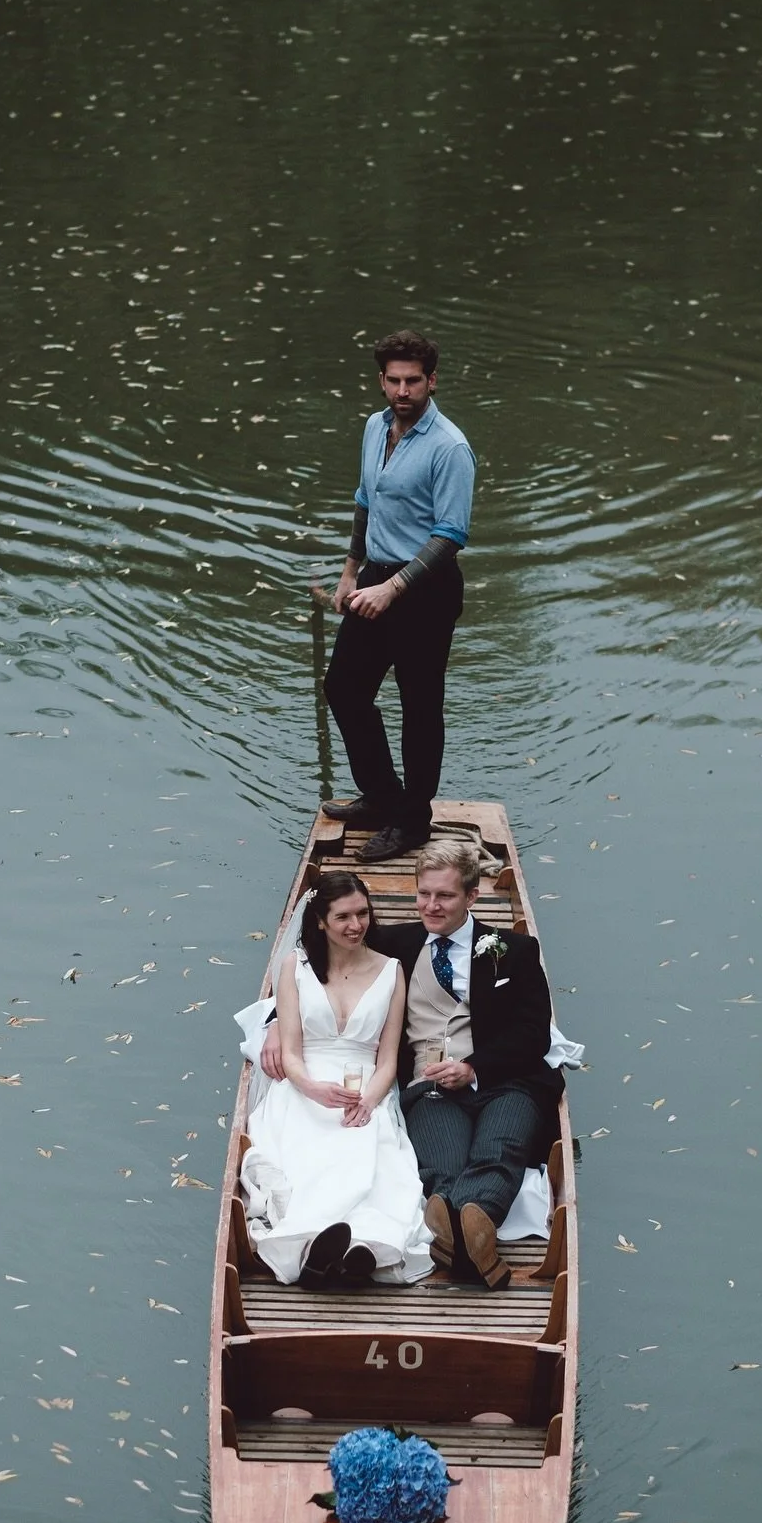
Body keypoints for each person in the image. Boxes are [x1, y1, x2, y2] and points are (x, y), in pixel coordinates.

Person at [260, 843, 563, 1291]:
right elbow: (325, 964)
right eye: (424, 894)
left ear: (472, 897)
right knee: (440, 1162)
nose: (431, 906)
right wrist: (274, 1020)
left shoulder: (513, 950)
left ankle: (464, 1229)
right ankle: (465, 1232)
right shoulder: (395, 942)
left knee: (498, 1150)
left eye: (445, 896)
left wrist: (475, 1067)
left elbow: (535, 1032)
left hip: (506, 1083)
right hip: (430, 1087)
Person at [321, 330, 475, 864]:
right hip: (374, 576)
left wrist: (393, 588)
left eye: (413, 381)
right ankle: (382, 797)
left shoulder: (449, 447)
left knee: (419, 707)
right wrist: (350, 574)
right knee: (343, 688)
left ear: (431, 381)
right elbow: (366, 500)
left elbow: (451, 534)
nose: (403, 390)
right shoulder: (374, 427)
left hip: (425, 590)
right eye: (394, 380)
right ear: (381, 380)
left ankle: (412, 821)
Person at [241, 871, 433, 1289]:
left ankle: (361, 1249)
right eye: (344, 916)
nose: (356, 925)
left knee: (369, 1156)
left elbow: (387, 1058)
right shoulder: (296, 967)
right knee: (311, 1157)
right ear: (321, 922)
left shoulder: (391, 970)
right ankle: (313, 1249)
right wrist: (310, 1088)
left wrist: (369, 1101)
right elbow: (291, 1051)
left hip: (368, 1088)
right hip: (305, 1086)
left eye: (363, 913)